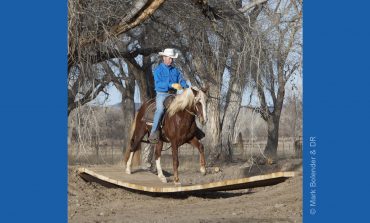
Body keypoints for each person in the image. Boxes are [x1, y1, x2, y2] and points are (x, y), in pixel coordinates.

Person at [148, 48, 189, 143]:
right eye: (169, 58)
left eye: (172, 58)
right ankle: (153, 133)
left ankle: (189, 130)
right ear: (164, 57)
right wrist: (171, 85)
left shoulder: (176, 70)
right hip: (162, 94)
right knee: (160, 110)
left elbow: (181, 80)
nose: (171, 60)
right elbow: (158, 84)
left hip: (174, 95)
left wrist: (185, 86)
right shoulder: (158, 70)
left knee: (186, 107)